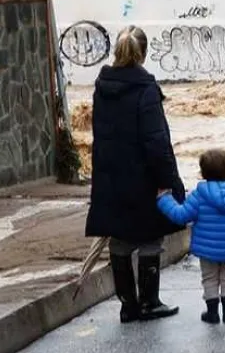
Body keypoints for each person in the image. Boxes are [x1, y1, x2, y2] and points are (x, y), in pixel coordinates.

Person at [86, 26, 186, 324]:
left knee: (120, 238)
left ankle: (127, 306)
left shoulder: (101, 86)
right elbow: (155, 140)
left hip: (110, 176)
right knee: (150, 237)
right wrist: (169, 180)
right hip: (143, 177)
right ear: (143, 54)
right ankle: (149, 303)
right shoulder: (146, 89)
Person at [157, 149, 225, 324]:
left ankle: (212, 313)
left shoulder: (200, 195)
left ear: (202, 173)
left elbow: (181, 216)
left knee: (209, 278)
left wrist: (164, 199)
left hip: (207, 250)